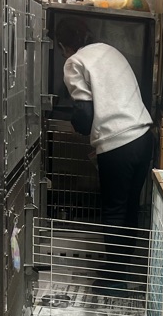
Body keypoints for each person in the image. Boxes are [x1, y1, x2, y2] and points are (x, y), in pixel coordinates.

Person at [54, 17, 154, 294]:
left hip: (118, 143)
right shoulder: (109, 50)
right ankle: (119, 269)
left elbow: (85, 116)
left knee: (114, 210)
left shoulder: (74, 62)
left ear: (63, 45)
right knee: (130, 208)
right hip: (144, 137)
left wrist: (75, 124)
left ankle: (115, 280)